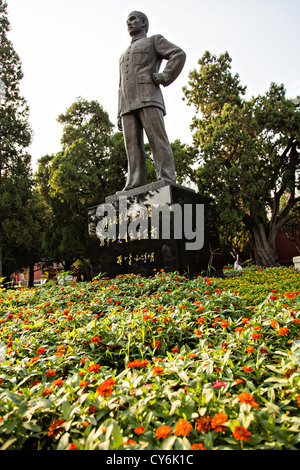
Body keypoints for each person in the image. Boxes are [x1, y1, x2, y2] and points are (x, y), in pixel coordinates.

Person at [118, 11, 186, 190]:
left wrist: (165, 75)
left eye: (133, 19)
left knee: (157, 139)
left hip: (148, 96)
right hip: (127, 104)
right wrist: (119, 111)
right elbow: (120, 85)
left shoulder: (154, 40)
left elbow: (178, 53)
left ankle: (166, 177)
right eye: (127, 21)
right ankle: (133, 183)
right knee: (132, 146)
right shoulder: (123, 55)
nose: (129, 23)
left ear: (143, 22)